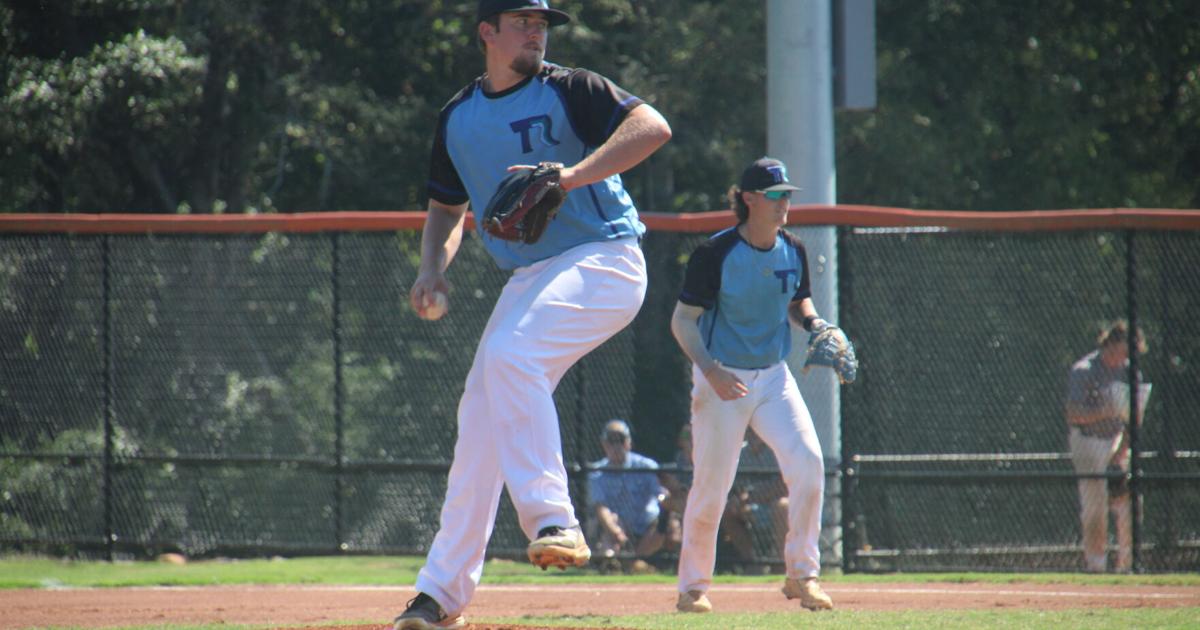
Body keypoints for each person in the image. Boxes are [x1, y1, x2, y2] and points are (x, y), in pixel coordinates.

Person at [395, 1, 671, 627]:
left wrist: (571, 177)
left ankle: (555, 520)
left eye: (542, 24)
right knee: (480, 419)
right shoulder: (458, 118)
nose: (536, 33)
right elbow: (446, 209)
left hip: (605, 258)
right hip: (531, 277)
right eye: (522, 22)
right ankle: (438, 595)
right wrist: (432, 267)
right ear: (486, 32)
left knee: (510, 353)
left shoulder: (571, 88)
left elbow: (652, 127)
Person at [670, 157, 835, 614]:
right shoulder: (716, 254)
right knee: (712, 486)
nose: (785, 203)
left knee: (809, 463)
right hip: (721, 375)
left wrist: (816, 324)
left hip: (774, 376)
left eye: (787, 195)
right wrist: (710, 371)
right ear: (748, 199)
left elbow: (799, 301)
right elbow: (682, 321)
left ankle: (802, 575)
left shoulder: (793, 248)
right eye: (775, 195)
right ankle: (692, 588)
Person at [1066, 320, 1148, 574]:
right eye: (1123, 351)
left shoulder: (1130, 373)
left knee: (1130, 501)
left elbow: (1134, 420)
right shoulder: (1084, 370)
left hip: (1117, 440)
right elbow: (1073, 414)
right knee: (1096, 504)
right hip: (1088, 440)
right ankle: (1096, 565)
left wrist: (1121, 450)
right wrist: (1106, 410)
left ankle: (1128, 565)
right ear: (1110, 344)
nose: (1125, 358)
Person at [587, 419, 668, 572]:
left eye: (621, 440)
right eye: (611, 441)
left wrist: (664, 501)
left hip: (647, 525)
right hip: (618, 528)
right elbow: (601, 508)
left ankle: (631, 562)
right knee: (611, 520)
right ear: (604, 444)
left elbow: (661, 494)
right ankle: (613, 563)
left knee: (666, 522)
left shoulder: (646, 466)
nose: (616, 446)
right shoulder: (597, 473)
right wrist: (616, 532)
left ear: (629, 443)